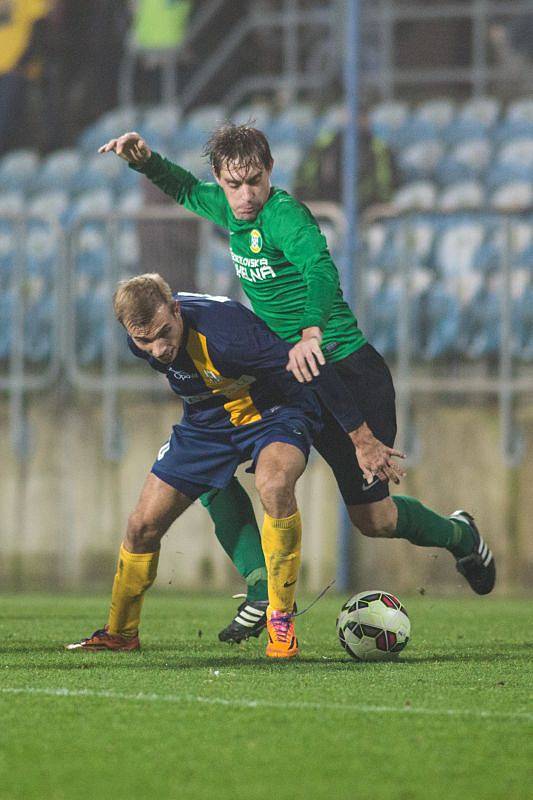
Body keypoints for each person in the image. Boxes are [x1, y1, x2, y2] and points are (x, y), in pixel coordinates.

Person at [97, 125, 496, 642]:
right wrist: (144, 160)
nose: (245, 196)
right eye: (233, 185)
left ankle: (461, 535)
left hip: (344, 370)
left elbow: (320, 270)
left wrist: (312, 330)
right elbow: (185, 190)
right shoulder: (229, 208)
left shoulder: (284, 215)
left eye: (254, 182)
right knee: (216, 463)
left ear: (270, 173)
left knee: (373, 519)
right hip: (285, 375)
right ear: (221, 180)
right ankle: (263, 591)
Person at [67, 273, 331, 658]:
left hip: (274, 412)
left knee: (274, 486)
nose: (157, 349)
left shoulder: (229, 334)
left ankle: (280, 619)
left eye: (163, 333)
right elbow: (189, 373)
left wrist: (358, 436)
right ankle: (121, 633)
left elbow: (307, 368)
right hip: (206, 423)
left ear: (176, 309)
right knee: (141, 526)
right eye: (144, 340)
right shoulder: (140, 339)